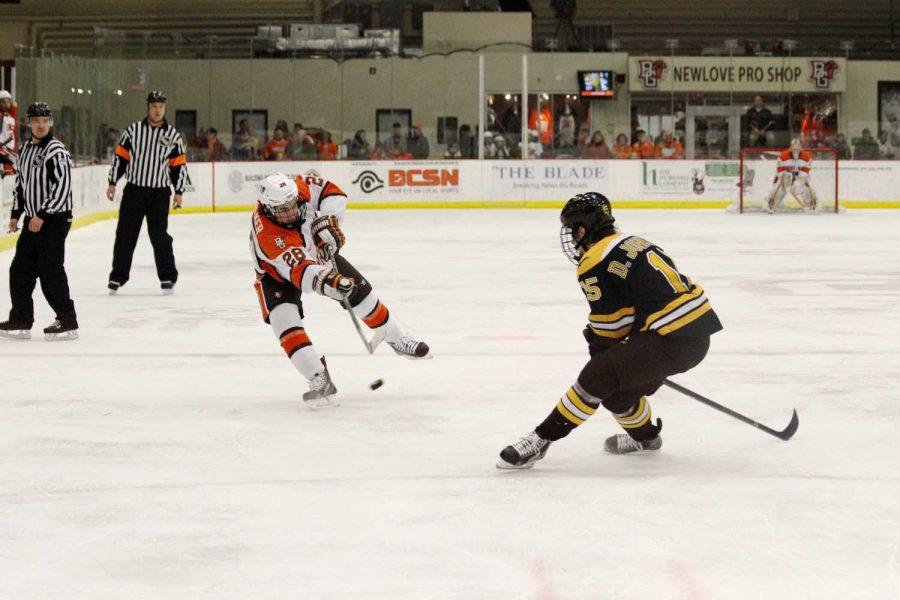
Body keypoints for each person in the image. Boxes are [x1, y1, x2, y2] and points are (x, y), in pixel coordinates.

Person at [497, 193, 722, 469]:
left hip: (670, 338)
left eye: (572, 230)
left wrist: (600, 348)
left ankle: (539, 440)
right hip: (692, 335)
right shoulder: (633, 241)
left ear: (582, 229)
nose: (572, 238)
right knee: (616, 394)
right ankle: (646, 438)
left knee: (597, 377)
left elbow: (614, 326)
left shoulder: (593, 259)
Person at [250, 172, 432, 408]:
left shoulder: (299, 187)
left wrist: (327, 220)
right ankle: (318, 378)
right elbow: (302, 273)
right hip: (276, 274)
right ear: (268, 208)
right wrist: (330, 282)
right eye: (282, 210)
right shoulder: (270, 235)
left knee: (363, 297)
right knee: (284, 322)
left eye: (292, 205)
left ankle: (398, 339)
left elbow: (333, 192)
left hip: (316, 254)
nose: (291, 211)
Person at [0, 102, 78, 341]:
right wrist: (16, 214)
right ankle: (21, 318)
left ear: (51, 123)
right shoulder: (25, 151)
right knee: (20, 270)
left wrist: (43, 214)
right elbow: (21, 186)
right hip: (33, 221)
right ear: (29, 123)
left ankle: (67, 320)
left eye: (45, 121)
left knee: (50, 270)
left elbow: (63, 187)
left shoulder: (57, 150)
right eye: (36, 121)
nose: (41, 125)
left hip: (54, 220)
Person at [106, 91, 188, 295]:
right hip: (134, 190)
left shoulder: (172, 135)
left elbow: (178, 165)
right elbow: (120, 157)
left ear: (165, 108)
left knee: (159, 235)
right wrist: (112, 181)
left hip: (159, 193)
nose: (157, 110)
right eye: (154, 106)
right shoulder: (133, 131)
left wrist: (179, 191)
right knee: (125, 234)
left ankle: (168, 276)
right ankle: (118, 276)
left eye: (161, 106)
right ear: (148, 108)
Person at [764, 138, 818, 213]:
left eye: (797, 149)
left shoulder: (806, 157)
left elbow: (805, 173)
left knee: (804, 187)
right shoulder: (783, 156)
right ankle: (771, 204)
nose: (795, 151)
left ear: (801, 148)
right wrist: (787, 177)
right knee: (781, 187)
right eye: (794, 149)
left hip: (799, 176)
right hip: (785, 176)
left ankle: (811, 205)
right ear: (790, 148)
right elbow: (780, 171)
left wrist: (797, 180)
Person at [0, 90, 17, 179]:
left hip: (9, 150)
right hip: (2, 150)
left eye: (8, 101)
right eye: (3, 102)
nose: (6, 104)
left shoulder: (10, 117)